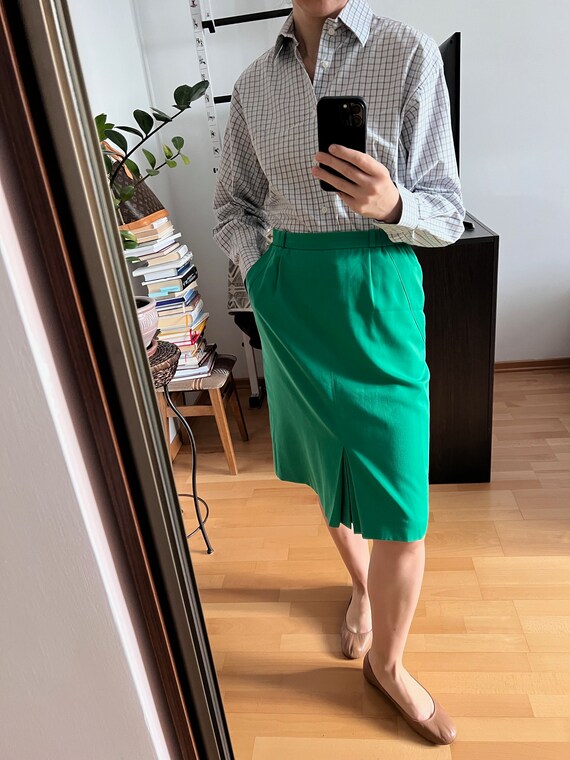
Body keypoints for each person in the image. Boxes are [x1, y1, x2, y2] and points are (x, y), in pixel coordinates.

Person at [213, 0, 464, 746]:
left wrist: (392, 203)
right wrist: (263, 276)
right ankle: (360, 587)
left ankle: (388, 665)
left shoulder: (410, 53)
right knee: (329, 472)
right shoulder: (254, 83)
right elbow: (232, 207)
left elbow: (448, 213)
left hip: (379, 293)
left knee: (403, 509)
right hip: (293, 303)